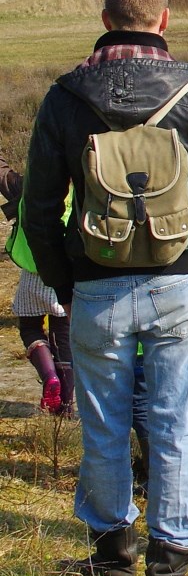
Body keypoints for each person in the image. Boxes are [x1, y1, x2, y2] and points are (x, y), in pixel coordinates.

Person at [21, 0, 188, 576]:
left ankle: (112, 558)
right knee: (175, 423)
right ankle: (169, 574)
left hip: (96, 286)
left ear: (104, 21)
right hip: (180, 286)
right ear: (164, 21)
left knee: (104, 424)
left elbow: (38, 210)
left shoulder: (65, 98)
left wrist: (67, 284)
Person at [5, 155, 73, 415]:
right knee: (64, 337)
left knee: (31, 328)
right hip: (66, 275)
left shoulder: (32, 189)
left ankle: (49, 377)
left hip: (34, 272)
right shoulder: (77, 192)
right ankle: (65, 406)